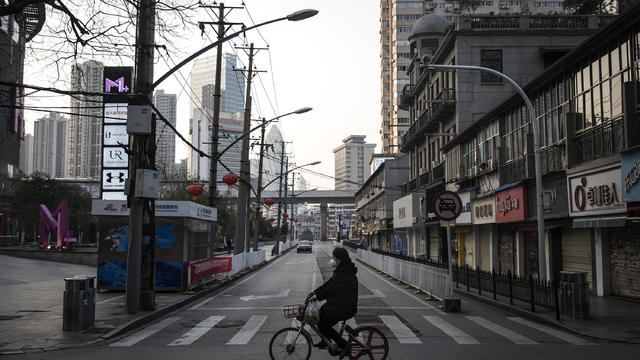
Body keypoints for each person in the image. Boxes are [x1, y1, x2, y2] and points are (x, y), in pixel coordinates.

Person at [308, 247, 358, 357]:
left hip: (345, 307)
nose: (333, 259)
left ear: (340, 259)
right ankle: (326, 340)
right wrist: (314, 292)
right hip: (338, 304)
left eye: (334, 257)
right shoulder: (340, 270)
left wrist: (317, 297)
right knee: (320, 315)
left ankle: (344, 344)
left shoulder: (345, 273)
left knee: (323, 324)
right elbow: (328, 284)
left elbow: (332, 289)